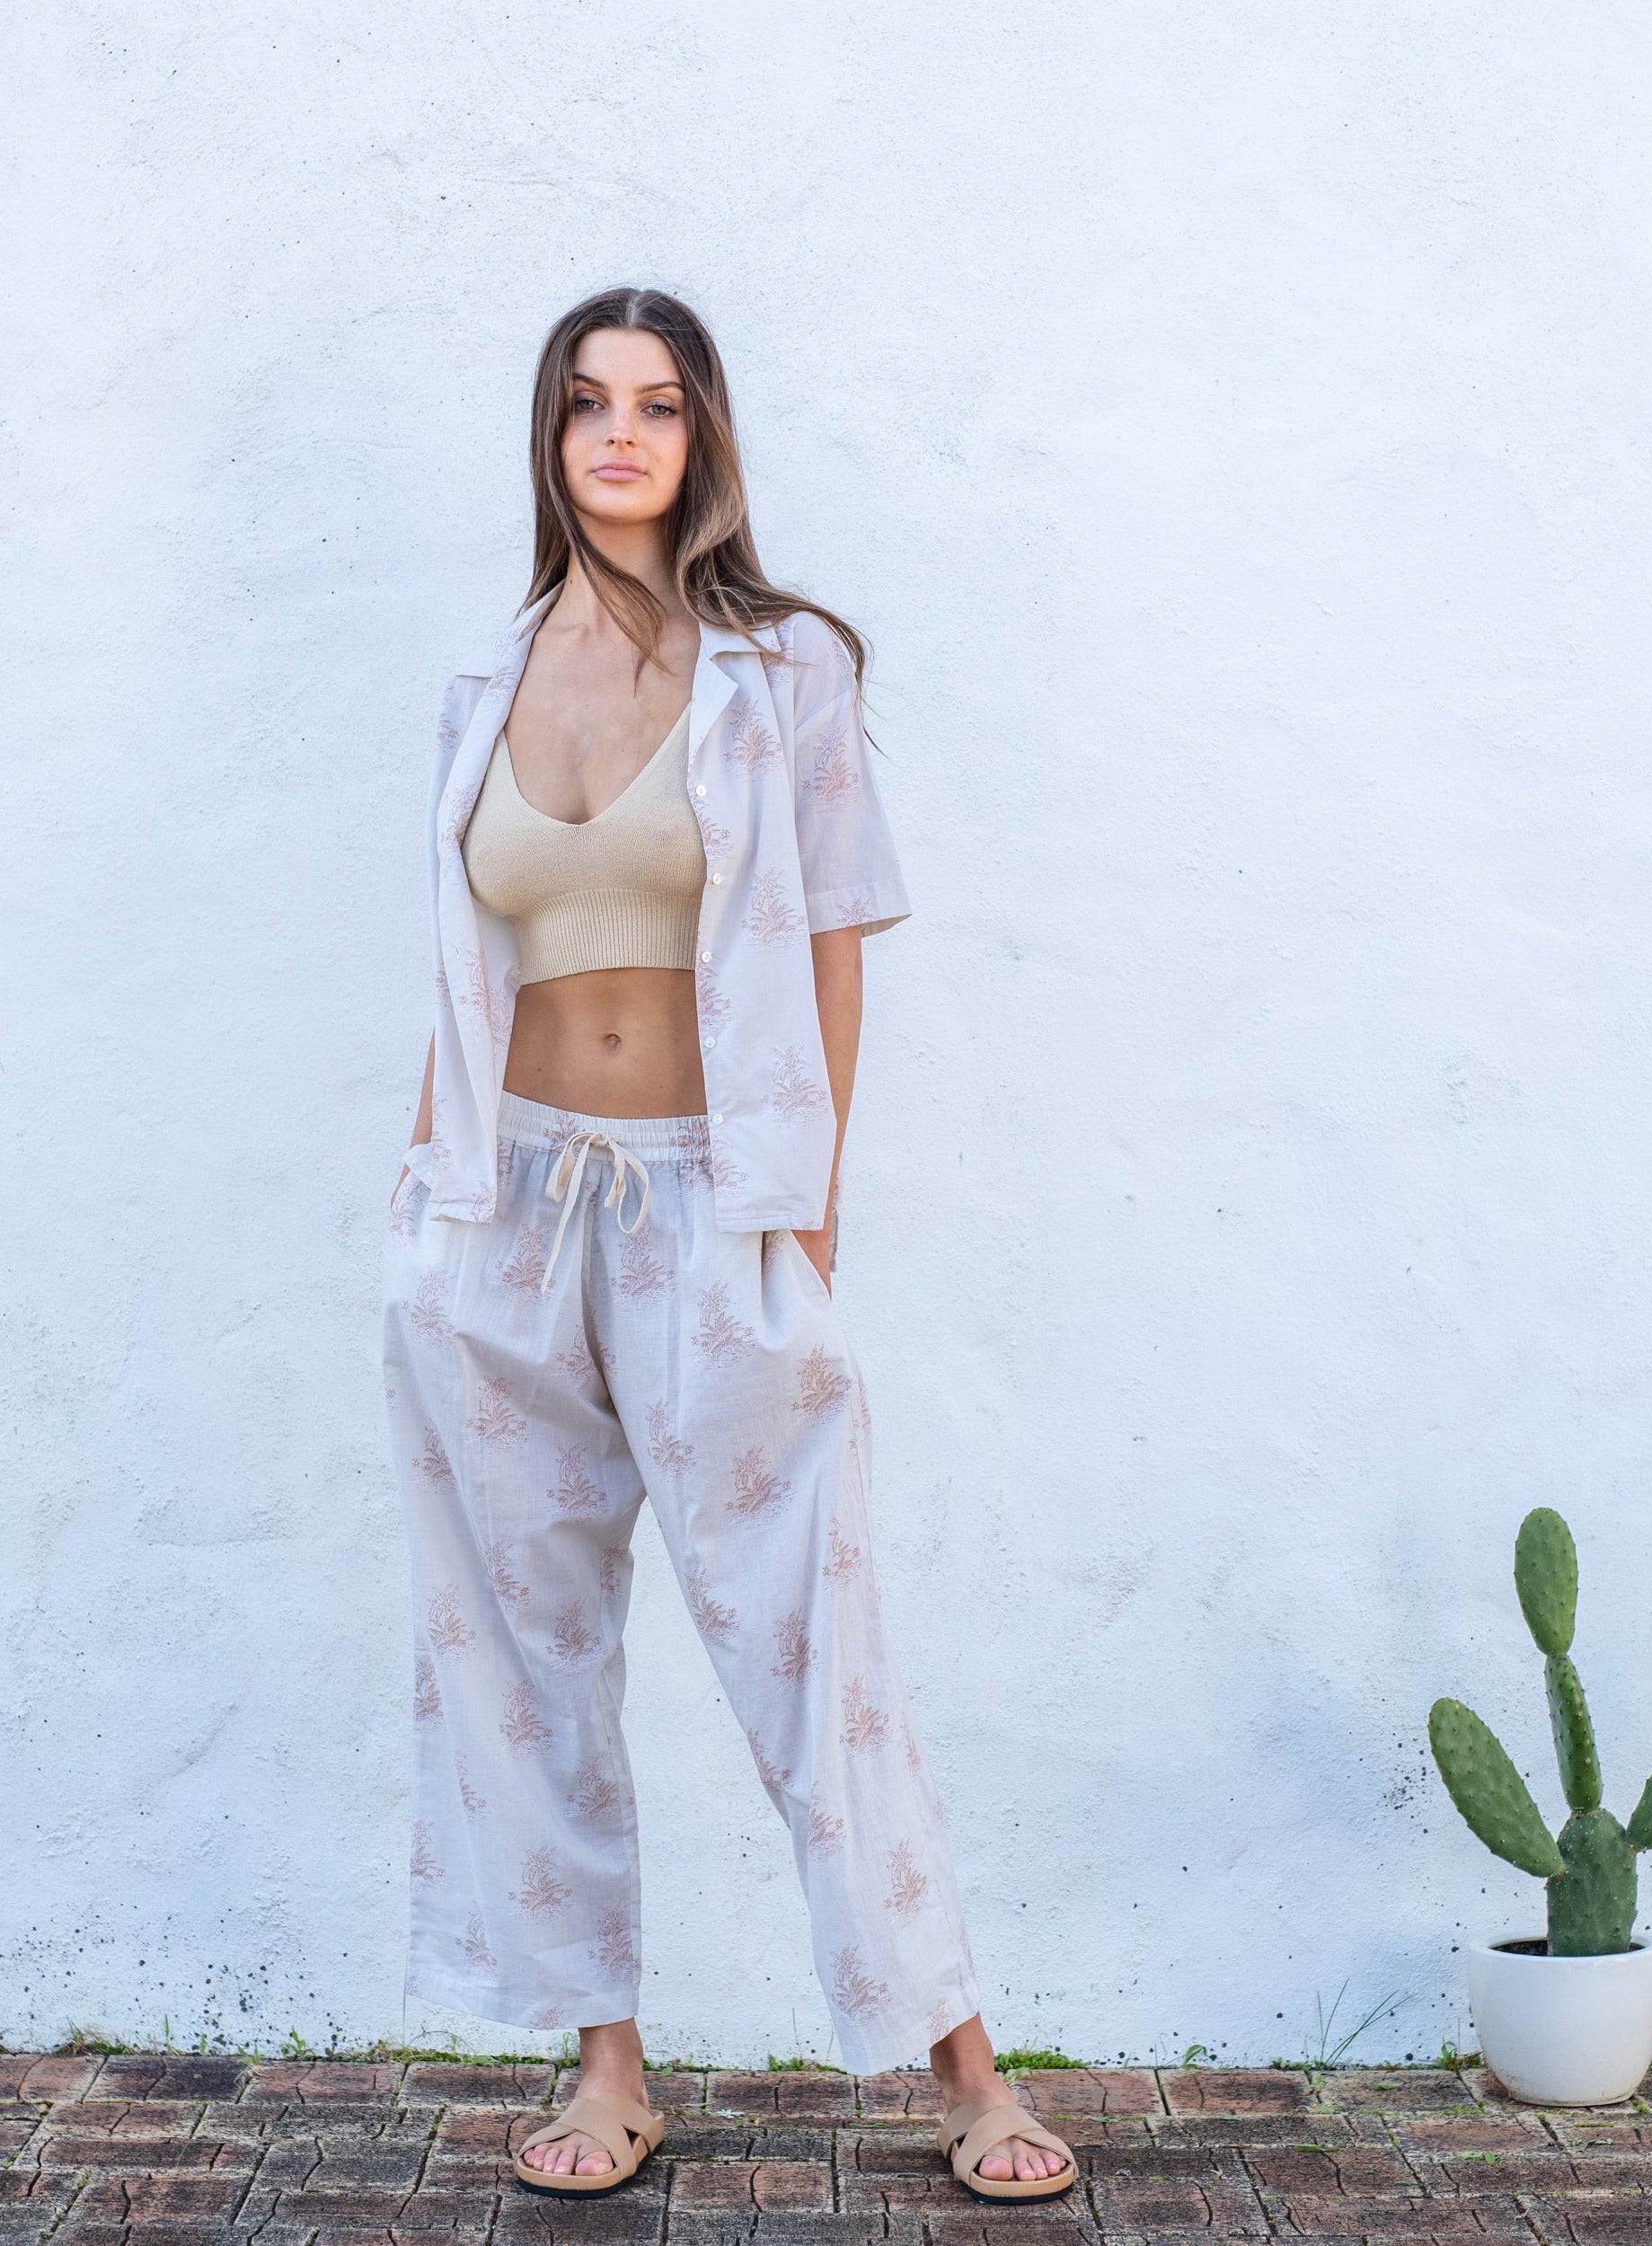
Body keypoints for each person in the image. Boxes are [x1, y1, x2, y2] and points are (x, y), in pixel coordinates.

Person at [380, 286, 1074, 2205]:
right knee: (521, 1648)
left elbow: (835, 948)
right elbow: (457, 971)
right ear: (550, 435)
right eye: (589, 402)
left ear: (703, 439)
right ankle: (606, 2063)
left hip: (710, 1197)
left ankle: (965, 2066)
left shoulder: (784, 672)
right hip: (500, 1209)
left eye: (660, 404)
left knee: (810, 1638)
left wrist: (803, 1216)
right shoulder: (481, 680)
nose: (622, 433)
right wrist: (425, 1209)